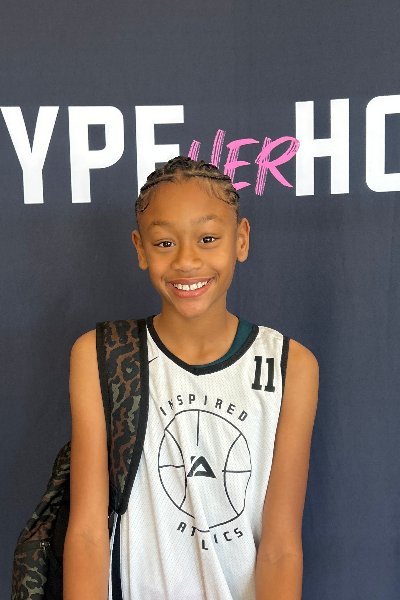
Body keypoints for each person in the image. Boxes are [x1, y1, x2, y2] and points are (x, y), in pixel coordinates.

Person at [63, 156, 319, 600]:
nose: (186, 260)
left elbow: (280, 549)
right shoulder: (100, 355)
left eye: (207, 238)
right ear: (140, 249)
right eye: (164, 243)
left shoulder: (290, 365)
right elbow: (86, 533)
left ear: (241, 239)